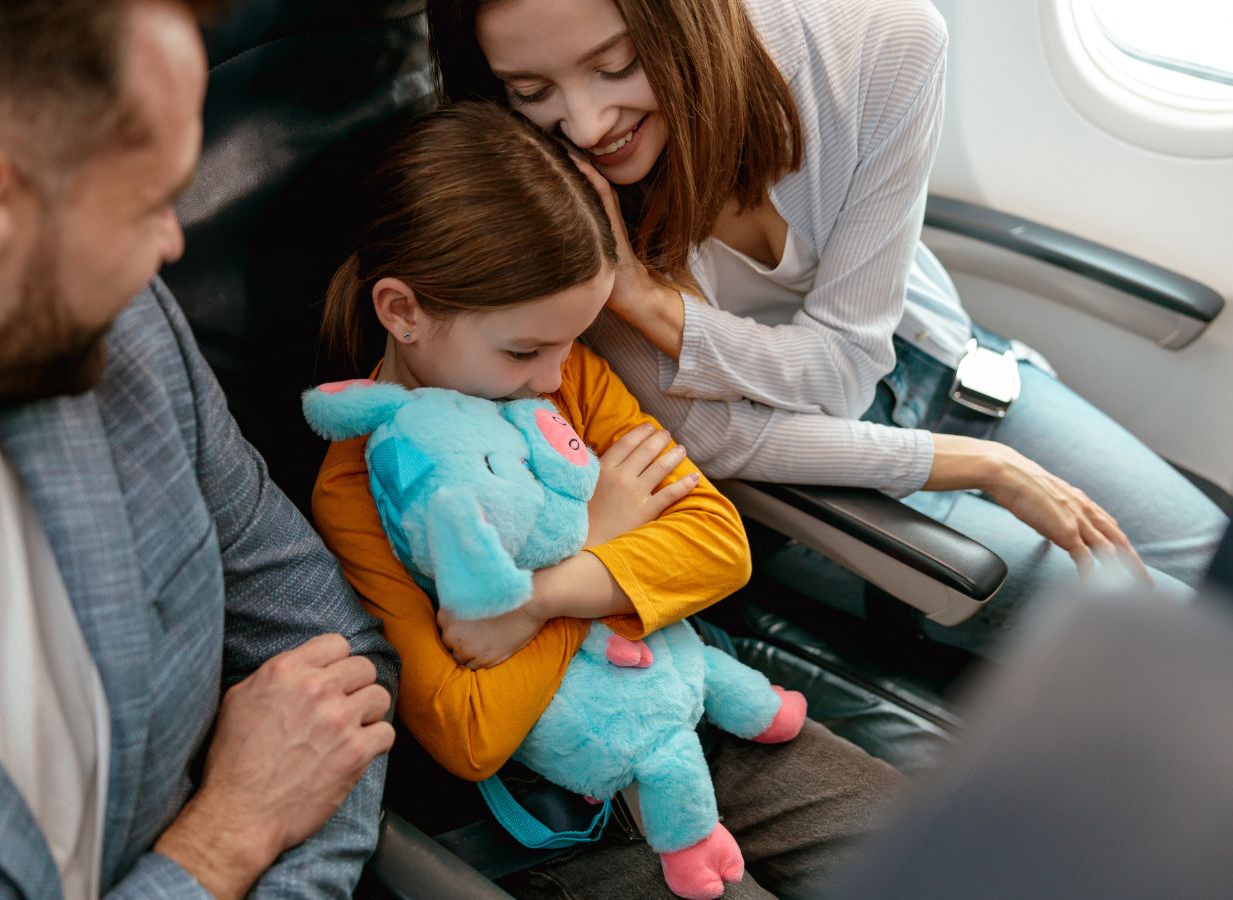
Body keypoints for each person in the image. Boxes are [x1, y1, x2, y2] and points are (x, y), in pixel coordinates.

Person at [0, 2, 397, 898]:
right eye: (149, 203)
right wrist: (219, 846)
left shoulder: (125, 343)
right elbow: (261, 805)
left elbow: (340, 670)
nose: (172, 247)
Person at [426, 0, 1229, 653]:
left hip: (942, 365)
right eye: (532, 92)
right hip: (804, 474)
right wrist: (984, 468)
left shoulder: (879, 46)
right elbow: (719, 441)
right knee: (1178, 637)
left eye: (617, 65)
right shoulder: (556, 195)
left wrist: (651, 303)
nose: (589, 123)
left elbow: (849, 365)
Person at [310, 101, 902, 899]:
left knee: (929, 846)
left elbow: (718, 546)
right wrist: (601, 538)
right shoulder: (358, 488)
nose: (555, 379)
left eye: (570, 342)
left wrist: (536, 599)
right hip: (556, 806)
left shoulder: (568, 381)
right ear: (403, 312)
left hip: (685, 700)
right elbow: (469, 729)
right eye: (524, 349)